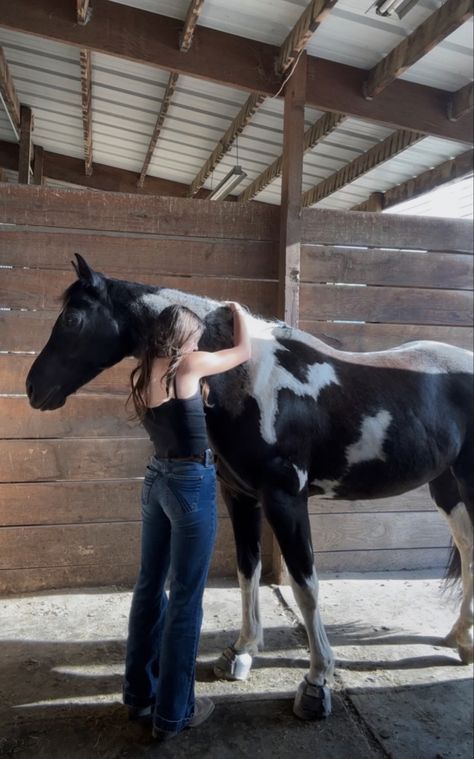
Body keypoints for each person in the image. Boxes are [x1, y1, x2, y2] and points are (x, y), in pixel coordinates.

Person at [122, 301, 251, 741]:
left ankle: (140, 695)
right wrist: (241, 315)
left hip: (156, 479)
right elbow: (243, 353)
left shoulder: (147, 371)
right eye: (195, 335)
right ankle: (175, 712)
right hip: (189, 483)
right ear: (183, 337)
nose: (199, 342)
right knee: (185, 600)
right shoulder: (190, 365)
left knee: (149, 587)